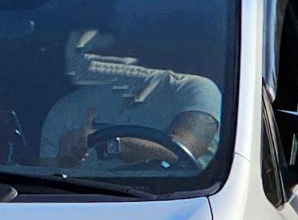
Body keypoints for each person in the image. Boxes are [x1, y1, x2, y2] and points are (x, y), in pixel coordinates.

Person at [40, 30, 222, 168]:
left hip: (176, 200)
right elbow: (47, 186)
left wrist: (113, 143)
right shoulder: (66, 110)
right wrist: (65, 159)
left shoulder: (195, 88)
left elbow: (183, 150)